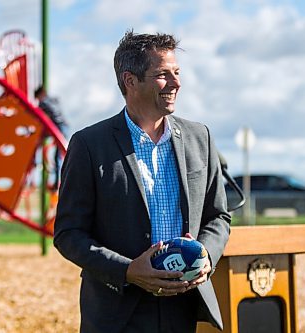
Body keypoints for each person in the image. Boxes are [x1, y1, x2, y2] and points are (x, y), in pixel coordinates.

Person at [54, 30, 231, 333]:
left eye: (177, 72)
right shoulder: (88, 145)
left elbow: (219, 217)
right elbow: (68, 234)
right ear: (130, 81)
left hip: (186, 306)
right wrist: (128, 271)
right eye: (163, 74)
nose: (176, 83)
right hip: (117, 312)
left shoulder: (200, 137)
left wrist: (205, 257)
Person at [34, 86, 68, 188]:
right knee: (58, 156)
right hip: (64, 126)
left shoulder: (43, 103)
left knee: (57, 157)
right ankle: (57, 181)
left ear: (40, 95)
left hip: (57, 128)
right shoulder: (53, 100)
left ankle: (56, 183)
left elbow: (37, 114)